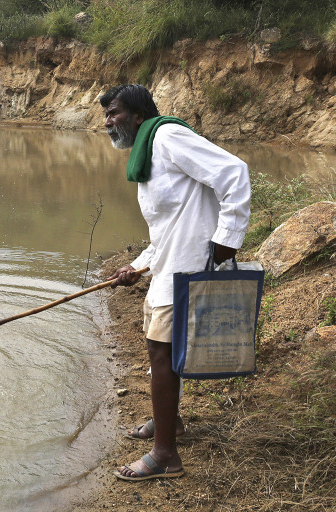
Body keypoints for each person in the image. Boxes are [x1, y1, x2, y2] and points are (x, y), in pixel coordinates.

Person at [101, 84, 251, 481]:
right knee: (161, 352)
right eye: (105, 115)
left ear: (137, 115)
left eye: (113, 113)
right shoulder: (145, 154)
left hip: (189, 269)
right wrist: (135, 266)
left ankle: (165, 454)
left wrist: (226, 241)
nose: (108, 122)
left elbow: (234, 173)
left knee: (162, 356)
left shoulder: (167, 136)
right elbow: (165, 230)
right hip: (166, 267)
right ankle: (172, 422)